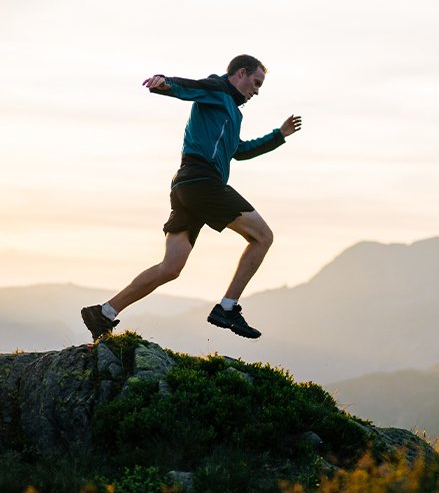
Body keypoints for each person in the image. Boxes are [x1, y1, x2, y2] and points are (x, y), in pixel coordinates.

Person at [81, 54, 301, 341]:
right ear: (241, 73)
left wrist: (278, 136)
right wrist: (164, 83)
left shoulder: (232, 111)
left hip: (186, 186)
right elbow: (190, 87)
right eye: (256, 82)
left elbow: (239, 151)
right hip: (202, 181)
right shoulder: (217, 89)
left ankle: (105, 312)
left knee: (171, 267)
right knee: (263, 237)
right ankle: (227, 308)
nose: (257, 90)